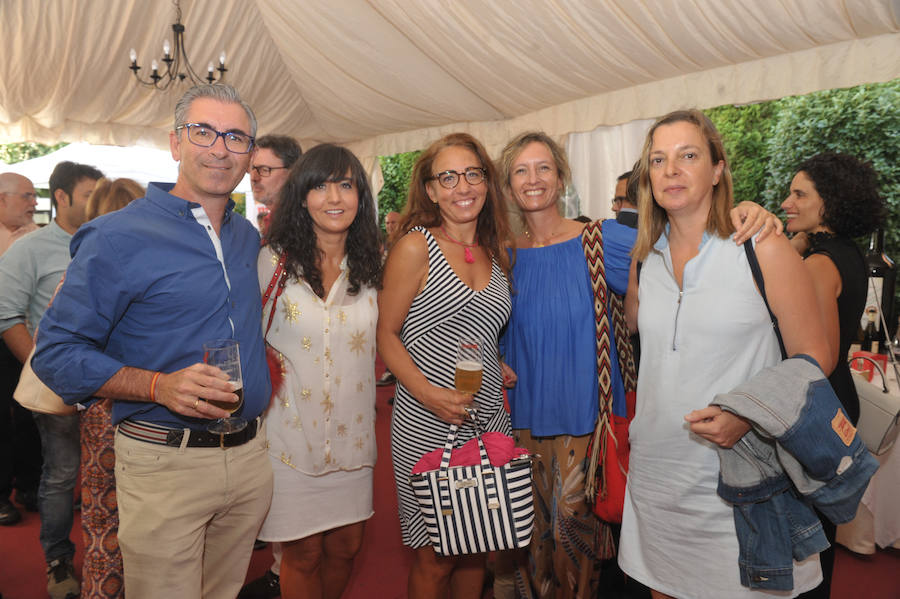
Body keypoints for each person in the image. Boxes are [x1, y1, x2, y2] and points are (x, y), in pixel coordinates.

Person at [32, 83, 273, 599]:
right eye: (203, 131)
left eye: (236, 137)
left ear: (250, 155)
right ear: (175, 143)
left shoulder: (245, 237)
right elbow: (55, 353)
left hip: (250, 457)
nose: (219, 148)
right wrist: (157, 385)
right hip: (166, 463)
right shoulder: (117, 236)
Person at [618, 109, 831, 599]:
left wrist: (748, 414)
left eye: (688, 155)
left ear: (717, 169)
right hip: (657, 478)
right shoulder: (643, 258)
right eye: (658, 160)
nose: (671, 170)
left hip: (742, 479)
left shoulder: (761, 247)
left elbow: (816, 354)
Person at [496, 131, 634, 598]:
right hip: (519, 418)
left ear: (560, 176)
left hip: (585, 419)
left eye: (543, 168)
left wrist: (746, 216)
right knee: (527, 541)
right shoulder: (503, 255)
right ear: (508, 183)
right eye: (521, 170)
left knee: (572, 542)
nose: (533, 180)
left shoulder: (601, 240)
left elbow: (680, 252)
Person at [377, 132, 514, 598]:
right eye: (449, 177)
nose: (463, 186)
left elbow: (476, 328)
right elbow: (387, 335)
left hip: (488, 419)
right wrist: (431, 394)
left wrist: (496, 363)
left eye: (473, 174)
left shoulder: (497, 254)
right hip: (425, 420)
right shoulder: (416, 247)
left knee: (479, 547)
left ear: (486, 182)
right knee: (435, 559)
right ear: (432, 190)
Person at [254, 143, 382, 599]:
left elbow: (407, 331)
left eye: (346, 185)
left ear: (360, 197)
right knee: (302, 554)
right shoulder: (271, 262)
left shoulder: (373, 266)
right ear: (301, 196)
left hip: (355, 437)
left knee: (348, 548)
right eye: (320, 186)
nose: (334, 198)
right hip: (289, 439)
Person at [780, 152, 885, 599]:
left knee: (807, 534)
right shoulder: (843, 254)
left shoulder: (820, 265)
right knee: (818, 529)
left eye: (800, 194)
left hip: (820, 403)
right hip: (839, 396)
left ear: (831, 203)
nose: (786, 201)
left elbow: (814, 359)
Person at [0, 161, 103, 599]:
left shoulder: (110, 241)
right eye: (88, 196)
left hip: (113, 387)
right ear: (61, 197)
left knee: (113, 478)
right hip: (59, 388)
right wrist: (44, 373)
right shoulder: (30, 248)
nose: (97, 204)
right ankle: (59, 561)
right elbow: (7, 315)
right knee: (62, 475)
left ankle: (111, 558)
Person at [240, 134, 303, 599]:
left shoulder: (298, 231)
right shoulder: (269, 226)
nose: (254, 176)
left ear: (293, 172)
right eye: (253, 168)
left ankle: (285, 569)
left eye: (266, 169)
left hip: (293, 373)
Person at [77, 177, 145, 599]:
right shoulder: (155, 272)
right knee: (154, 531)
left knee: (102, 525)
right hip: (150, 412)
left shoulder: (82, 268)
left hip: (100, 413)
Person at [0, 172, 42, 528]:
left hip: (21, 335)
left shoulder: (36, 237)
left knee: (29, 411)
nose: (35, 203)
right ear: (2, 198)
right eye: (27, 196)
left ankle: (30, 486)